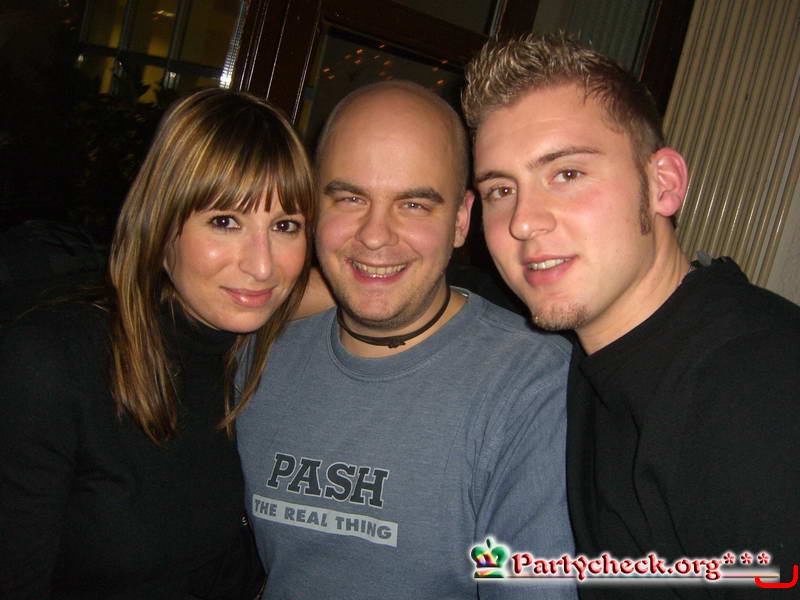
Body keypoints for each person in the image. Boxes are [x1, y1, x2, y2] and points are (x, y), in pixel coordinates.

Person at [463, 34, 800, 598]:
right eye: (501, 189)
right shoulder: (598, 343)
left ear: (663, 185)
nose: (523, 221)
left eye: (567, 174)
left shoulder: (757, 390)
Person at [236, 80, 576, 599]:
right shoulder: (257, 359)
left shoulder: (532, 386)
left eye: (414, 205)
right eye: (351, 198)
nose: (375, 235)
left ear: (460, 221)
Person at [0, 88, 316, 598]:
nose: (262, 265)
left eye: (285, 226)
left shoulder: (252, 356)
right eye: (225, 222)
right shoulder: (52, 364)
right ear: (161, 224)